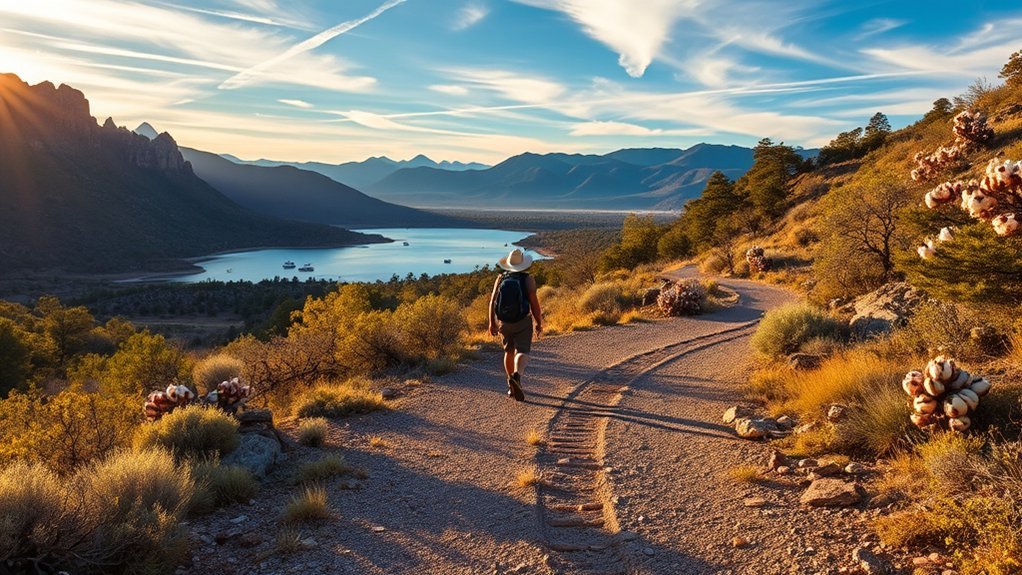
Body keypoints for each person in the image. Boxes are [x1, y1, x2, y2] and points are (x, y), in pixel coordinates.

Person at [488, 248, 542, 401]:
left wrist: (492, 322)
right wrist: (538, 322)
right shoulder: (528, 279)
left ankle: (510, 385)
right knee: (522, 351)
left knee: (508, 352)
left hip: (504, 322)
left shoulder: (501, 278)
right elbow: (534, 304)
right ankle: (517, 376)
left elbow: (492, 301)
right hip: (523, 321)